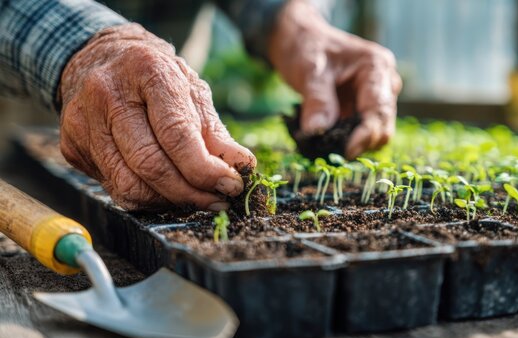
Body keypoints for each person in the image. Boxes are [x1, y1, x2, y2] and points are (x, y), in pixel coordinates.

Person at [0, 0, 401, 211]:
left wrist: (292, 22)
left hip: (170, 90)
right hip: (24, 91)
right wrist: (83, 50)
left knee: (166, 156)